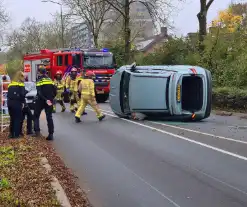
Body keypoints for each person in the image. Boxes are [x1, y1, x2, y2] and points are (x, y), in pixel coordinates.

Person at [33, 65, 57, 140]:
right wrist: (50, 98)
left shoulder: (39, 80)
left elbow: (39, 92)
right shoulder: (50, 79)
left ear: (39, 72)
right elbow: (55, 91)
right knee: (49, 117)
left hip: (41, 100)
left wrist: (45, 99)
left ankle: (37, 132)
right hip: (49, 101)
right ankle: (51, 134)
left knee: (36, 115)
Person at [7, 71, 25, 138]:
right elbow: (23, 94)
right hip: (17, 103)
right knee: (17, 118)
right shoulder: (21, 84)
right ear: (21, 76)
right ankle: (17, 135)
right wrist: (23, 102)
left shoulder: (10, 84)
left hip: (9, 103)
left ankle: (11, 134)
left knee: (12, 118)